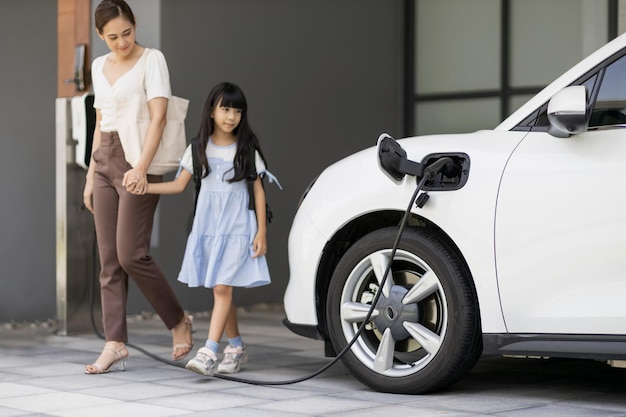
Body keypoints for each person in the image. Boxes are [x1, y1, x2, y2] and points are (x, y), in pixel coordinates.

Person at [133, 81, 280, 375]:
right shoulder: (198, 147)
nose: (231, 116)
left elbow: (259, 190)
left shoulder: (246, 147)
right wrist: (145, 186)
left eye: (237, 110)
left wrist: (261, 232)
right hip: (209, 228)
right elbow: (178, 184)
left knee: (223, 288)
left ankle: (209, 351)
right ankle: (236, 347)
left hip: (238, 228)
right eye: (225, 108)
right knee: (220, 289)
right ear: (212, 111)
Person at [82, 0, 193, 374]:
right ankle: (115, 343)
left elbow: (159, 116)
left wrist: (142, 169)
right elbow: (100, 119)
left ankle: (178, 320)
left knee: (131, 254)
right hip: (104, 159)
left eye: (126, 33)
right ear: (100, 36)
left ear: (134, 24)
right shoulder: (99, 65)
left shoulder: (152, 60)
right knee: (109, 259)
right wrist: (89, 174)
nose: (121, 42)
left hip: (137, 159)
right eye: (112, 37)